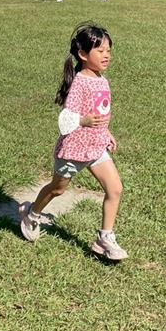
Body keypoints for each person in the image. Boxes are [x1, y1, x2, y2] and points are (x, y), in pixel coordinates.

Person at [17, 24, 127, 261]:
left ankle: (105, 238)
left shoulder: (102, 80)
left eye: (109, 50)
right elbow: (65, 120)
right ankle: (31, 213)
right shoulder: (80, 83)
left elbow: (101, 113)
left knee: (115, 188)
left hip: (95, 147)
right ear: (83, 54)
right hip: (74, 150)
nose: (106, 55)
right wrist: (83, 120)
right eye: (100, 51)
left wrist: (106, 132)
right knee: (57, 189)